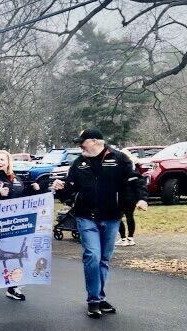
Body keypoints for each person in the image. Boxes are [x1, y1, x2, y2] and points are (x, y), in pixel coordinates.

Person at [53, 129, 147, 318]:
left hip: (112, 217)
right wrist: (60, 188)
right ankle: (93, 300)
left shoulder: (119, 158)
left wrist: (142, 198)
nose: (80, 146)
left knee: (104, 259)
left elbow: (136, 180)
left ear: (95, 141)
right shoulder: (79, 163)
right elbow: (70, 188)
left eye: (82, 142)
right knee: (92, 256)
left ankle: (100, 297)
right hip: (86, 216)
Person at [0, 149, 41, 301]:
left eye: (2, 160)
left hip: (15, 223)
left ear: (8, 162)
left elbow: (22, 195)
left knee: (15, 254)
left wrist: (34, 190)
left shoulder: (15, 178)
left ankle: (13, 288)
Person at [117, 150, 145, 247]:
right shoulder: (134, 169)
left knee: (118, 217)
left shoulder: (121, 168)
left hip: (122, 196)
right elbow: (139, 184)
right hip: (132, 197)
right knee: (130, 217)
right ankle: (130, 238)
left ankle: (123, 238)